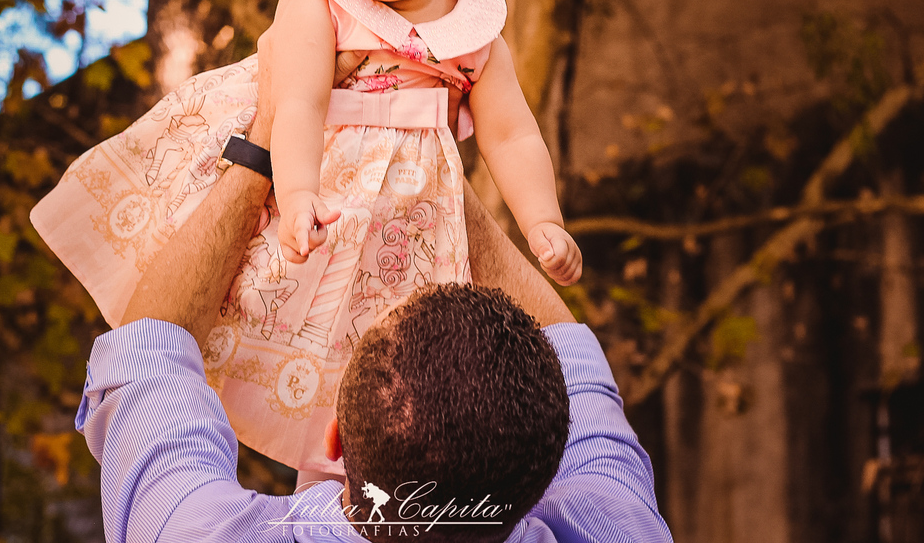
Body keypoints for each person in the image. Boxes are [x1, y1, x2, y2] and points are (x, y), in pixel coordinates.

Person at [33, 0, 583, 477]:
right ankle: (168, 405)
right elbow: (296, 105)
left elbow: (512, 135)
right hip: (307, 186)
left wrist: (544, 223)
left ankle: (339, 490)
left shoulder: (475, 32)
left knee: (373, 368)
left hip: (405, 226)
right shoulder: (317, 2)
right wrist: (294, 196)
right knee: (246, 310)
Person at [76, 31, 674, 542]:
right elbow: (574, 360)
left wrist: (270, 129)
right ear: (548, 468)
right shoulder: (615, 524)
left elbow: (147, 355)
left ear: (332, 438)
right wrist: (421, 151)